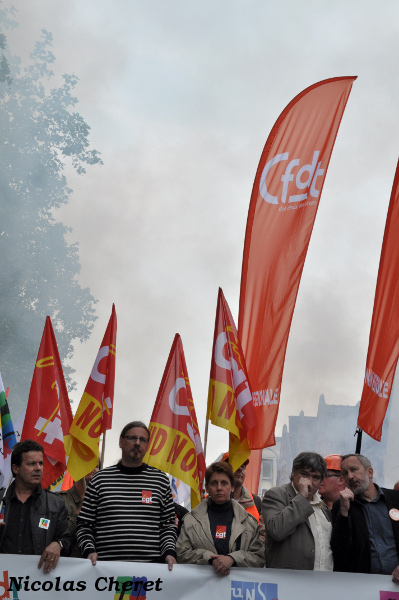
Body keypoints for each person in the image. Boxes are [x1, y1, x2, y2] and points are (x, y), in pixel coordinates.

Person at [76, 421, 177, 569]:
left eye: (143, 440)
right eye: (132, 438)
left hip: (149, 571)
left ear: (147, 446)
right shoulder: (100, 480)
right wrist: (89, 550)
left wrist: (169, 552)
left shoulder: (160, 480)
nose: (137, 443)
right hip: (105, 571)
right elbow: (84, 525)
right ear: (120, 442)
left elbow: (167, 526)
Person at [176, 461, 264, 575]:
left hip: (236, 590)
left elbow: (259, 557)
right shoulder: (190, 521)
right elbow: (181, 554)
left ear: (232, 487)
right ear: (206, 487)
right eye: (214, 483)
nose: (219, 488)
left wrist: (232, 559)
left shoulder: (249, 522)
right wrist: (209, 558)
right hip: (201, 590)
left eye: (224, 483)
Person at [0, 439, 71, 572]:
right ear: (15, 468)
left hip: (37, 582)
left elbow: (66, 539)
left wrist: (58, 544)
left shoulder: (56, 503)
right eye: (32, 464)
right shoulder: (1, 500)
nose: (38, 468)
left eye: (40, 463)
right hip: (3, 580)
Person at [331, 453, 399, 583]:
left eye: (354, 469)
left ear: (370, 472)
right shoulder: (341, 506)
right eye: (345, 473)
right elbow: (339, 551)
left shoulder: (396, 499)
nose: (350, 476)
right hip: (362, 586)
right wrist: (344, 512)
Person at [262, 451, 332, 570]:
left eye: (315, 477)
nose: (309, 482)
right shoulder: (277, 494)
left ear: (321, 481)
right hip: (290, 584)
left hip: (323, 583)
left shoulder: (323, 506)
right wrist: (302, 497)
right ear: (294, 472)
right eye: (304, 475)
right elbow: (277, 530)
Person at [56, 465, 99, 557]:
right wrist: (80, 511)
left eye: (96, 466)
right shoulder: (59, 500)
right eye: (89, 465)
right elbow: (59, 537)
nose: (93, 469)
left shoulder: (102, 501)